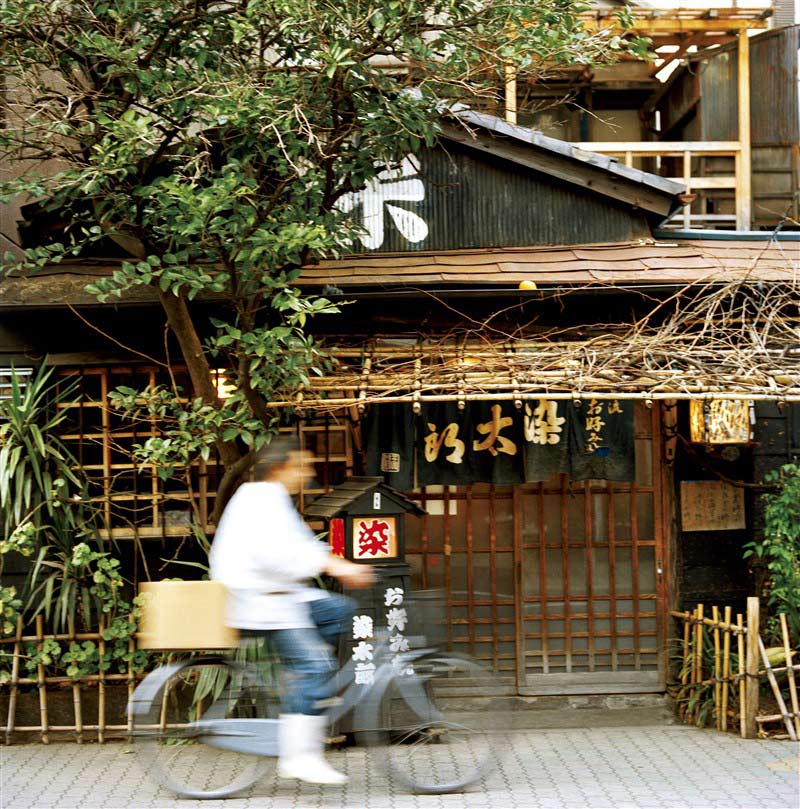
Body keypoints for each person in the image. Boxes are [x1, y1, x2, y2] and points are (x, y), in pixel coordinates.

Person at [209, 435, 374, 785]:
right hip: (261, 600)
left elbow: (298, 547)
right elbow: (280, 555)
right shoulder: (261, 500)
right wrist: (334, 566)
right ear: (281, 467)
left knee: (340, 609)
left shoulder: (269, 498)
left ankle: (300, 683)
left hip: (281, 596)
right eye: (302, 465)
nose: (308, 472)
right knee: (317, 665)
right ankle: (299, 756)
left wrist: (331, 562)